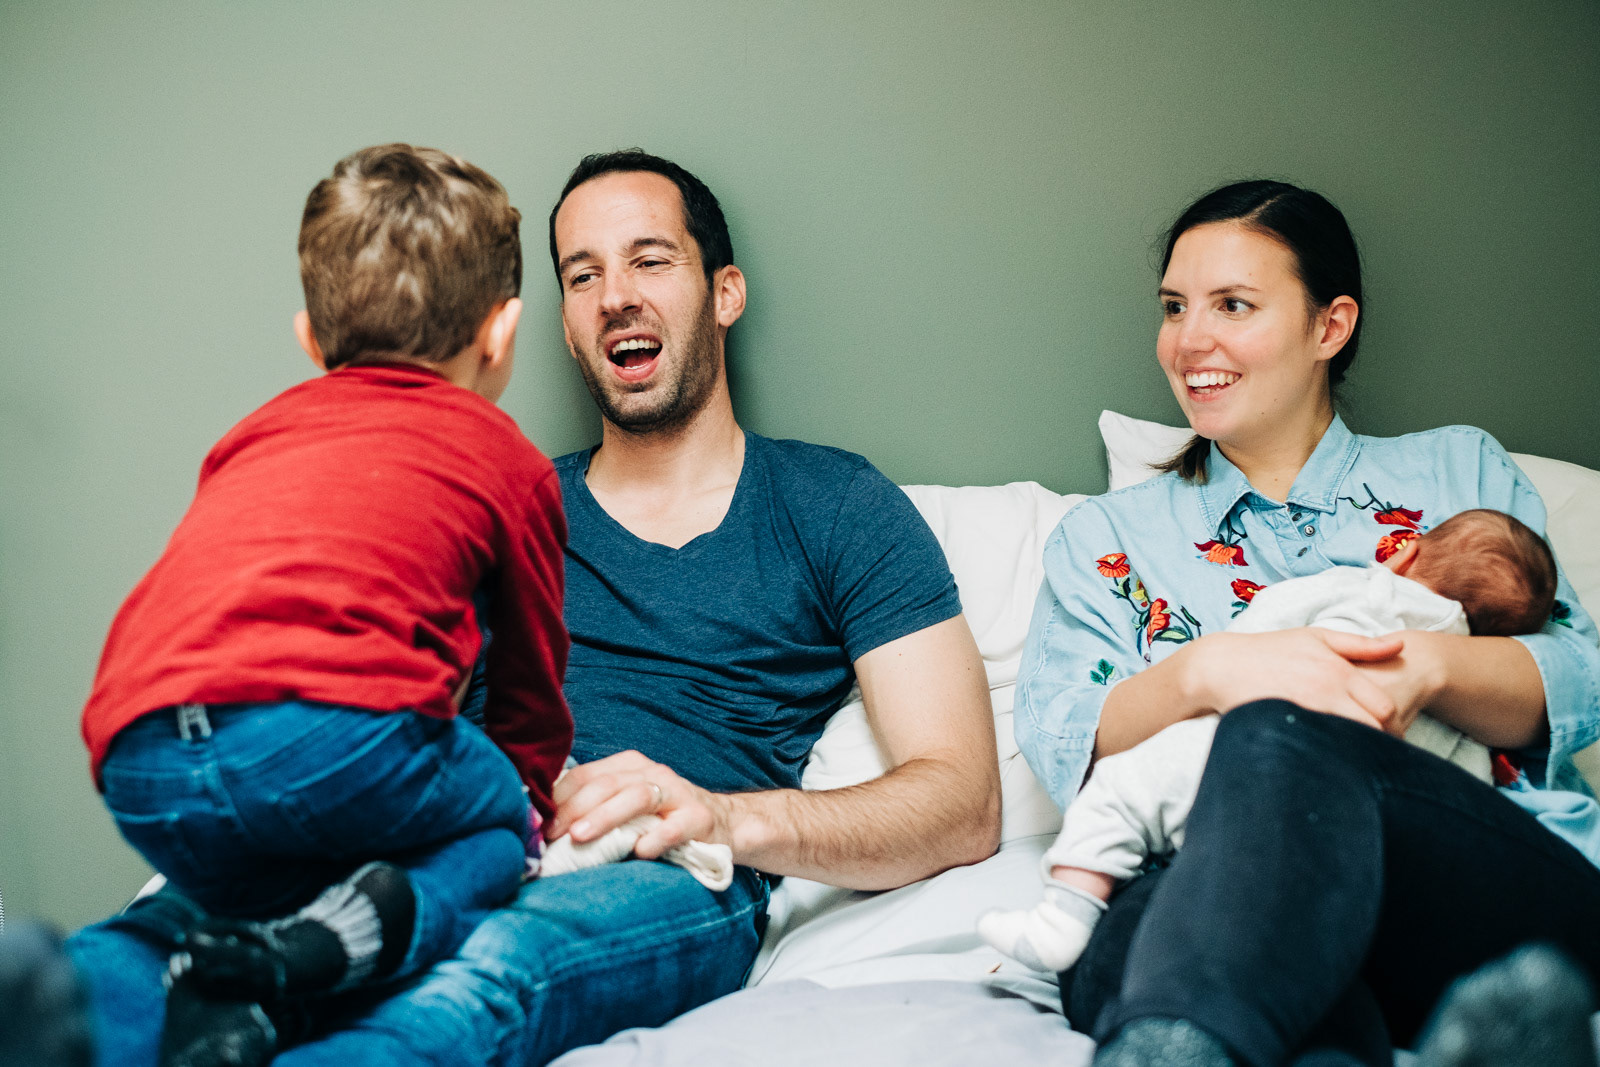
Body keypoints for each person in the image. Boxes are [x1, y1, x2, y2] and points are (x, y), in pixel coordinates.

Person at [62, 149, 999, 1067]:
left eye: (649, 259)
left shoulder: (835, 503)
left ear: (725, 292)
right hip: (423, 822)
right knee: (161, 941)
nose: (614, 296)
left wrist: (720, 815)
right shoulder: (478, 489)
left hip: (656, 865)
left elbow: (962, 803)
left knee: (478, 971)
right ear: (542, 325)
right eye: (581, 274)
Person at [1014, 179, 1600, 1067]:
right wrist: (1210, 671)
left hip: (1462, 871)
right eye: (1175, 307)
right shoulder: (1108, 540)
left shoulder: (1459, 473)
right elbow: (1069, 742)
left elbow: (1574, 679)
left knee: (1277, 738)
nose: (1189, 340)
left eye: (1233, 305)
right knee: (1136, 923)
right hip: (1213, 883)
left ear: (1330, 326)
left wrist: (1420, 670)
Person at [64, 143, 572, 1067]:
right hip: (328, 736)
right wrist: (524, 799)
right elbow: (531, 691)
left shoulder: (249, 436)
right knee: (499, 822)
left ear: (310, 338)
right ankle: (351, 940)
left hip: (136, 755)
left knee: (223, 901)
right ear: (502, 332)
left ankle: (65, 1001)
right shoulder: (507, 459)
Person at [982, 507, 1557, 973]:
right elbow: (1467, 783)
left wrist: (1223, 661)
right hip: (1353, 833)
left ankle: (1064, 915)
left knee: (1120, 791)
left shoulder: (1364, 589)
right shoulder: (1466, 702)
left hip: (1234, 762)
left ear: (1404, 552)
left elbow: (1264, 623)